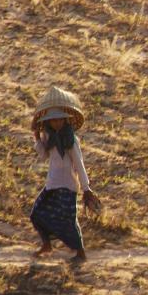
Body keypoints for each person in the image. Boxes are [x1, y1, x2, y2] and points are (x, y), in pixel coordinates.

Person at [30, 107, 99, 263]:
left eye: (60, 120)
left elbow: (79, 165)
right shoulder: (49, 137)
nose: (57, 123)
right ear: (49, 122)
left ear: (65, 120)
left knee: (68, 220)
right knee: (37, 213)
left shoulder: (71, 140)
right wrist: (37, 138)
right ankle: (47, 245)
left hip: (68, 185)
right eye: (54, 120)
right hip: (52, 183)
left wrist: (86, 188)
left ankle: (80, 252)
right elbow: (43, 155)